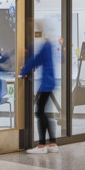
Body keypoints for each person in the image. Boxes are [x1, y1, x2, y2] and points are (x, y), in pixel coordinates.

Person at [20, 24, 59, 154]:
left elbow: (35, 60)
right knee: (43, 112)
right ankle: (52, 143)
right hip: (49, 82)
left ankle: (42, 145)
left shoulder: (45, 46)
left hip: (47, 83)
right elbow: (37, 60)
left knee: (40, 112)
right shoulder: (49, 46)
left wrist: (23, 71)